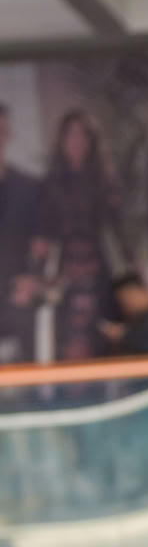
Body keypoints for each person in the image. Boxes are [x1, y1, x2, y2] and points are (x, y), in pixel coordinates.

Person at [29, 109, 123, 363]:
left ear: (91, 140)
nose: (77, 140)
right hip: (65, 276)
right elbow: (42, 235)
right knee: (70, 346)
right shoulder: (51, 185)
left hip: (99, 274)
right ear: (62, 140)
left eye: (82, 134)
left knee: (102, 343)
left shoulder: (104, 183)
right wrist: (39, 275)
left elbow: (119, 232)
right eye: (71, 134)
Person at [0, 103, 43, 362]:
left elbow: (42, 242)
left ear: (8, 133)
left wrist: (33, 277)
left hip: (18, 298)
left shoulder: (28, 188)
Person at [99, 272, 148, 355]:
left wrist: (124, 334)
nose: (129, 303)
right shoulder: (135, 322)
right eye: (122, 302)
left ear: (144, 290)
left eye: (130, 296)